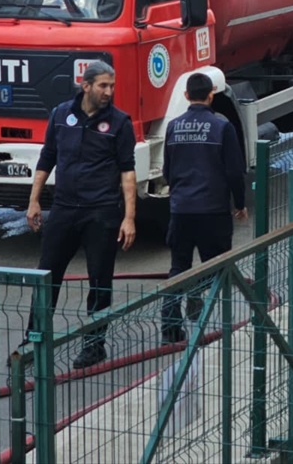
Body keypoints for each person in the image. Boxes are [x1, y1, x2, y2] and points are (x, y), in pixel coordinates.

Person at [26, 62, 137, 369]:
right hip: (64, 209)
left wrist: (129, 218)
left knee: (100, 280)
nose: (109, 92)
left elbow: (128, 173)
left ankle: (93, 345)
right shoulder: (61, 115)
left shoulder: (120, 122)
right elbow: (47, 158)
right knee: (46, 275)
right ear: (85, 86)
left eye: (112, 86)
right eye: (103, 85)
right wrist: (34, 200)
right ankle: (33, 341)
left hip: (101, 212)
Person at [160, 73, 247, 343]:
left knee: (178, 268)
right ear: (211, 95)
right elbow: (234, 171)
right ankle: (198, 291)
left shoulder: (173, 127)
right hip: (213, 210)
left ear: (186, 95)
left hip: (181, 210)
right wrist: (240, 203)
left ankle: (170, 329)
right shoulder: (222, 127)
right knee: (217, 266)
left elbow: (166, 171)